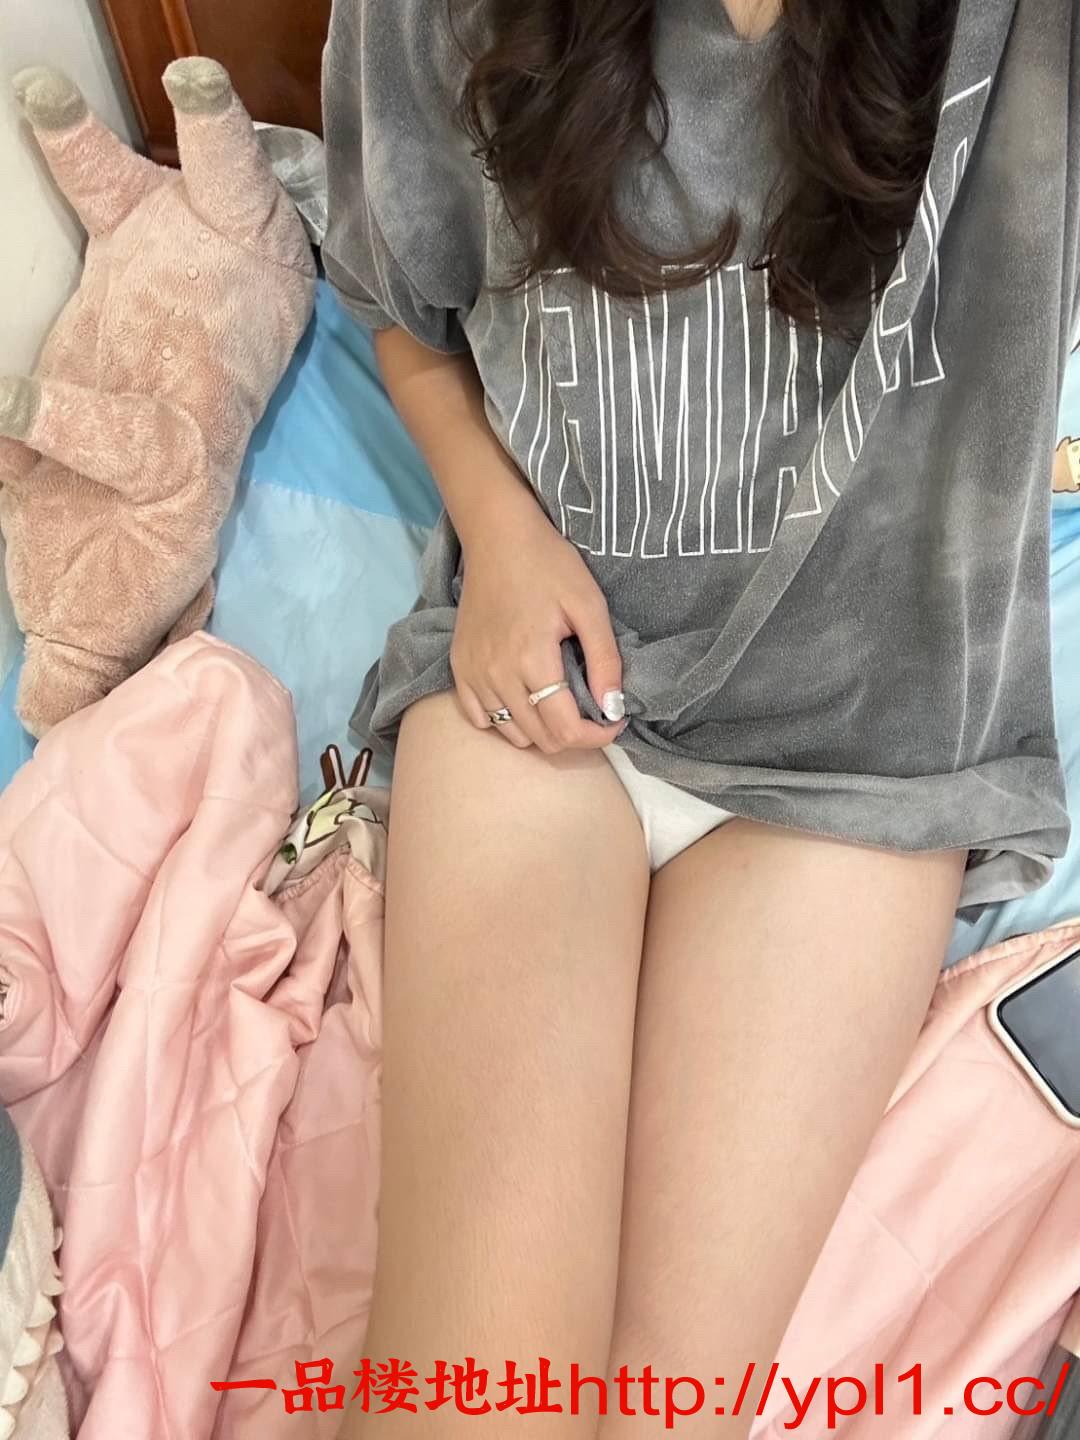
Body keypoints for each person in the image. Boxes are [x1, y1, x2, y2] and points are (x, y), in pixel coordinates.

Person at [322, 0, 1078, 1433]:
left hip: (858, 760)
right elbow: (398, 312)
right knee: (474, 1397)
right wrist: (498, 533)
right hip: (548, 701)